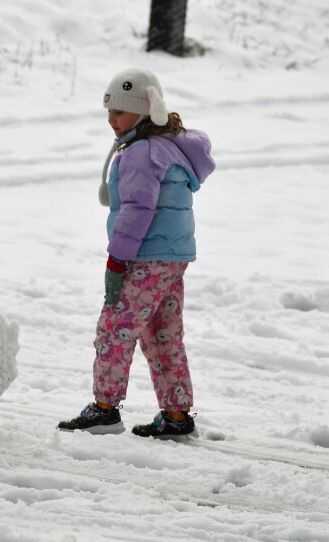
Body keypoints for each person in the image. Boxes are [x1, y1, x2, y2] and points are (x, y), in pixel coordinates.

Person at [57, 68, 216, 437]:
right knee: (163, 332)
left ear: (143, 112)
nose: (111, 120)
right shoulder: (166, 145)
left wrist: (117, 260)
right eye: (108, 112)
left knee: (115, 329)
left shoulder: (142, 152)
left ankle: (104, 408)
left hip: (143, 258)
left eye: (119, 112)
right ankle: (176, 414)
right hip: (173, 257)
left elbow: (138, 209)